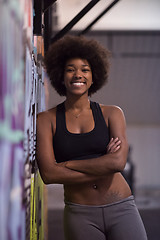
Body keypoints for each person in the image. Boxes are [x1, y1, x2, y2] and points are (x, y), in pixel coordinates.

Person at [36, 35, 147, 240]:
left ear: (94, 76)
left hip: (121, 208)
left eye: (85, 69)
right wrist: (103, 165)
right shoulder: (45, 120)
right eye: (70, 69)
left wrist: (67, 164)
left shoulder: (112, 113)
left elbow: (118, 162)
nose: (78, 74)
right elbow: (49, 174)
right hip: (80, 213)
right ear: (61, 76)